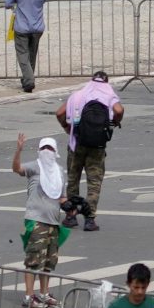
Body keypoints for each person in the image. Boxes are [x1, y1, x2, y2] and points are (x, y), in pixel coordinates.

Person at [58, 71, 123, 232]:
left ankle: (71, 215)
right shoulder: (109, 95)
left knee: (73, 179)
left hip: (77, 143)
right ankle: (89, 219)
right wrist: (115, 121)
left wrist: (66, 127)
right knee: (94, 183)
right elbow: (119, 110)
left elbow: (59, 113)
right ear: (107, 82)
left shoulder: (78, 95)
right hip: (97, 146)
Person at [10, 135, 70, 308]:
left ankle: (43, 294)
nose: (46, 151)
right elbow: (16, 169)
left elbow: (62, 197)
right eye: (43, 148)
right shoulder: (34, 167)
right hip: (36, 220)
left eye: (50, 148)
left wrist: (72, 206)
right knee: (33, 259)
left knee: (49, 262)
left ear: (55, 152)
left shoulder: (59, 172)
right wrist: (19, 150)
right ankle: (29, 297)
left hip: (53, 221)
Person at [1, 0, 49, 93]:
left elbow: (8, 3)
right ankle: (27, 78)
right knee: (32, 54)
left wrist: (17, 3)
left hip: (22, 25)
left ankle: (28, 81)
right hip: (38, 25)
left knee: (22, 54)